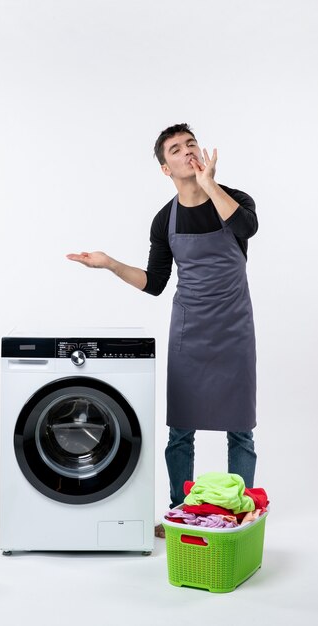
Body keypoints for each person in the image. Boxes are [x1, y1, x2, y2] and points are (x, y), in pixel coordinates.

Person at [67, 123, 258, 538]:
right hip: (190, 333)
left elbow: (246, 229)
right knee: (180, 431)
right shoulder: (163, 220)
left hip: (234, 329)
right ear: (165, 168)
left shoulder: (235, 200)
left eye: (191, 143)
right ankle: (179, 514)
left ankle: (242, 517)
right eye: (176, 149)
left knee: (241, 430)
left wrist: (210, 185)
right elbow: (154, 283)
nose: (187, 151)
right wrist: (110, 264)